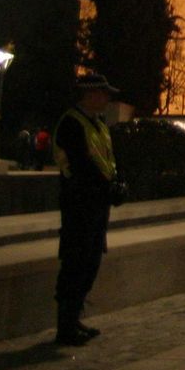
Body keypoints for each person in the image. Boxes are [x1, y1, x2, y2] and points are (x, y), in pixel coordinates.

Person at [52, 74, 124, 346]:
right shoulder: (72, 122)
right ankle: (65, 325)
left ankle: (74, 318)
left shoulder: (99, 124)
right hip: (78, 203)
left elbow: (107, 159)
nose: (107, 99)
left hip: (97, 203)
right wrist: (105, 188)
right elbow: (80, 165)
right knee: (75, 261)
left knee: (91, 260)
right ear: (89, 94)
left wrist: (116, 184)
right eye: (103, 94)